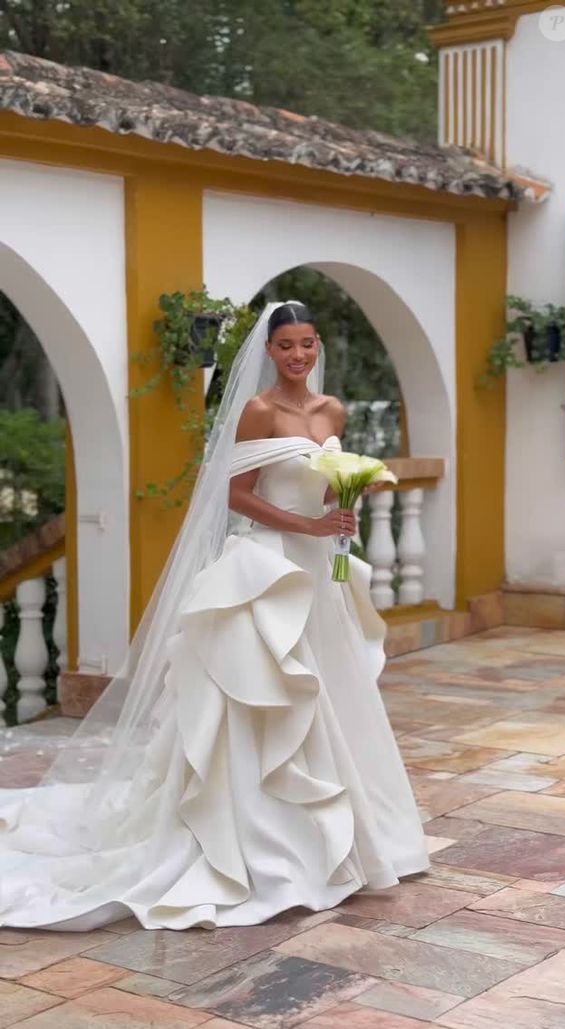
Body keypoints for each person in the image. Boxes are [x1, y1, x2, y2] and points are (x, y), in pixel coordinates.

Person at [0, 301, 429, 932]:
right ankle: (258, 840)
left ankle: (350, 835)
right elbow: (236, 495)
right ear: (270, 351)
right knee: (262, 691)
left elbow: (328, 487)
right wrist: (307, 524)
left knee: (331, 694)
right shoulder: (258, 411)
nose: (299, 355)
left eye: (308, 343)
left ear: (317, 346)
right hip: (268, 569)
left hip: (319, 572)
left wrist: (343, 508)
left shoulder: (332, 410)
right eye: (287, 345)